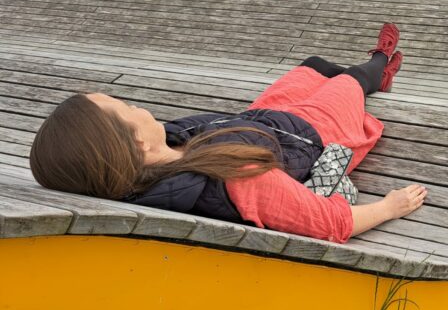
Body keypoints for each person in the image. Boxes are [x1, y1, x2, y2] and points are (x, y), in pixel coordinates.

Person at [29, 23, 427, 243]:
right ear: (135, 142)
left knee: (313, 64)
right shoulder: (237, 179)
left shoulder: (156, 158)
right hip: (314, 132)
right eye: (126, 107)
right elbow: (327, 222)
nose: (136, 105)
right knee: (352, 82)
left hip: (265, 119)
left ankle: (364, 72)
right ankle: (380, 64)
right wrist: (390, 207)